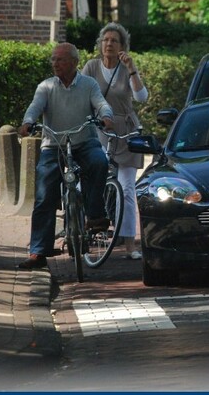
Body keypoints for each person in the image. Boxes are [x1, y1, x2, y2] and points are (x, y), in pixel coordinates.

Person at [18, 43, 114, 269]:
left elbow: (101, 104)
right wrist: (28, 123)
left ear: (74, 62)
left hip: (84, 141)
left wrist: (106, 117)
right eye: (53, 60)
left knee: (99, 163)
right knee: (44, 194)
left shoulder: (88, 85)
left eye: (60, 60)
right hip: (54, 145)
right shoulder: (46, 87)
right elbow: (35, 107)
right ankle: (38, 251)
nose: (55, 64)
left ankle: (95, 215)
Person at [82, 23, 149, 260]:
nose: (109, 44)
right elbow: (79, 95)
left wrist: (132, 69)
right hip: (99, 129)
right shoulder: (90, 67)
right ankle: (85, 231)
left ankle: (130, 244)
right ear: (100, 44)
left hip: (126, 131)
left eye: (114, 41)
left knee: (128, 189)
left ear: (123, 46)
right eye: (106, 40)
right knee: (90, 181)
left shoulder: (126, 67)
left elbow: (142, 97)